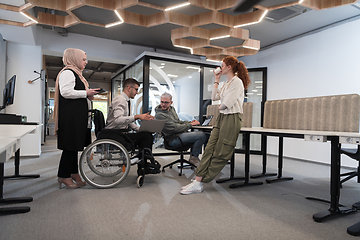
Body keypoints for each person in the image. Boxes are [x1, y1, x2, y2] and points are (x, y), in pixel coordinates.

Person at [180, 56, 250, 195]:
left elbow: (227, 103)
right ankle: (197, 181)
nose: (220, 68)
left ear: (229, 67)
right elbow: (213, 98)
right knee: (210, 148)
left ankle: (201, 180)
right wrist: (217, 80)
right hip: (223, 117)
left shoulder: (237, 82)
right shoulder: (226, 83)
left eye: (222, 65)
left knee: (222, 151)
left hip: (232, 117)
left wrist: (221, 106)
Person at [54, 48, 99, 189]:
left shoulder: (77, 74)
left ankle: (73, 173)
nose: (86, 62)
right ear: (74, 58)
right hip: (71, 118)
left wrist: (88, 95)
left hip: (76, 118)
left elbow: (74, 92)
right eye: (83, 59)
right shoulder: (68, 72)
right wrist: (86, 92)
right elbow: (66, 92)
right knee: (70, 147)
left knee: (74, 147)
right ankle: (63, 175)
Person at [155, 92, 207, 166]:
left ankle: (200, 158)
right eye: (162, 102)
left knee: (204, 135)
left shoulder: (172, 109)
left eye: (166, 102)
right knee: (201, 135)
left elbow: (178, 122)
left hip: (179, 135)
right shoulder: (159, 115)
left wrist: (189, 122)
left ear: (171, 102)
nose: (163, 104)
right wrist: (190, 124)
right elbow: (175, 128)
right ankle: (194, 158)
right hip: (173, 139)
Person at [104, 78, 155, 153]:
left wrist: (141, 129)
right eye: (136, 89)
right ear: (129, 88)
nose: (137, 93)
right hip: (114, 134)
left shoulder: (126, 101)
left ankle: (144, 161)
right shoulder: (120, 100)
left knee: (146, 134)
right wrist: (137, 116)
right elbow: (118, 120)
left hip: (120, 133)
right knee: (146, 136)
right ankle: (144, 162)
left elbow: (128, 122)